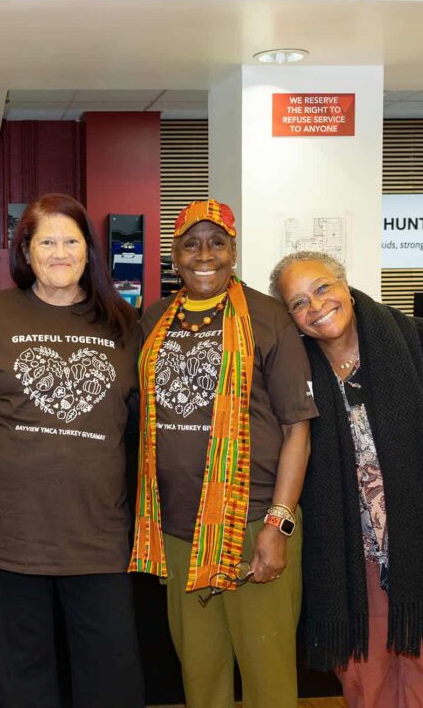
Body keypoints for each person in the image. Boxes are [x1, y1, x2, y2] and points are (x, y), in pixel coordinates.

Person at [0, 193, 144, 708]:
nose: (59, 253)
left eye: (70, 241)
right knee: (20, 676)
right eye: (46, 242)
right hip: (11, 528)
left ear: (89, 251)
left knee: (112, 677)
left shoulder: (123, 323)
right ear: (25, 251)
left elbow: (144, 425)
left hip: (98, 530)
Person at [129, 199, 318, 708]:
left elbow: (297, 427)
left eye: (217, 243)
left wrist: (278, 526)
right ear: (174, 255)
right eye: (191, 244)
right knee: (201, 675)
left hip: (255, 522)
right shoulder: (152, 321)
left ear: (233, 251)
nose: (204, 254)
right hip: (179, 529)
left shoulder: (268, 316)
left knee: (268, 679)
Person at [269, 250, 423, 708]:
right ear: (291, 319)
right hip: (352, 556)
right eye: (298, 303)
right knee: (365, 678)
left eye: (322, 289)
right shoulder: (290, 370)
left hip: (415, 540)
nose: (315, 306)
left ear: (346, 287)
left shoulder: (410, 342)